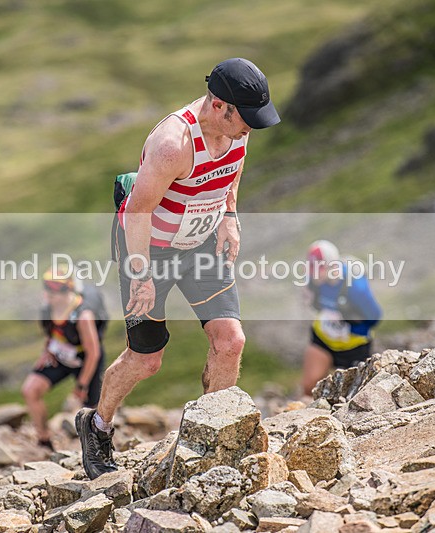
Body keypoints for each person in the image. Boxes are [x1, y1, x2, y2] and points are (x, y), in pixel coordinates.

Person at [76, 57, 281, 479]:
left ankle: (213, 437)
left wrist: (229, 215)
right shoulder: (174, 143)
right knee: (146, 359)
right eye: (246, 119)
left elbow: (233, 166)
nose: (251, 129)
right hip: (149, 248)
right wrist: (143, 274)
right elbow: (137, 212)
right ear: (221, 105)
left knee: (230, 341)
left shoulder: (237, 129)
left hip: (202, 243)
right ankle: (96, 425)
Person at [21, 267, 108, 451]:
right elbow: (51, 333)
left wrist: (81, 386)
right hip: (60, 356)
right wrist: (47, 351)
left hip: (85, 360)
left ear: (67, 290)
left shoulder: (83, 315)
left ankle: (97, 449)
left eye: (54, 289)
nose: (49, 294)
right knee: (30, 390)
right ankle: (44, 439)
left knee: (92, 408)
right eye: (47, 288)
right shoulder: (48, 310)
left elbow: (93, 352)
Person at [301, 240, 382, 399]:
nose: (314, 275)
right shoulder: (313, 282)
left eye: (319, 269)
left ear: (332, 266)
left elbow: (375, 318)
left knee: (354, 397)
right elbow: (315, 304)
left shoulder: (355, 287)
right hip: (324, 338)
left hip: (354, 347)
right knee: (309, 387)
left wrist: (349, 328)